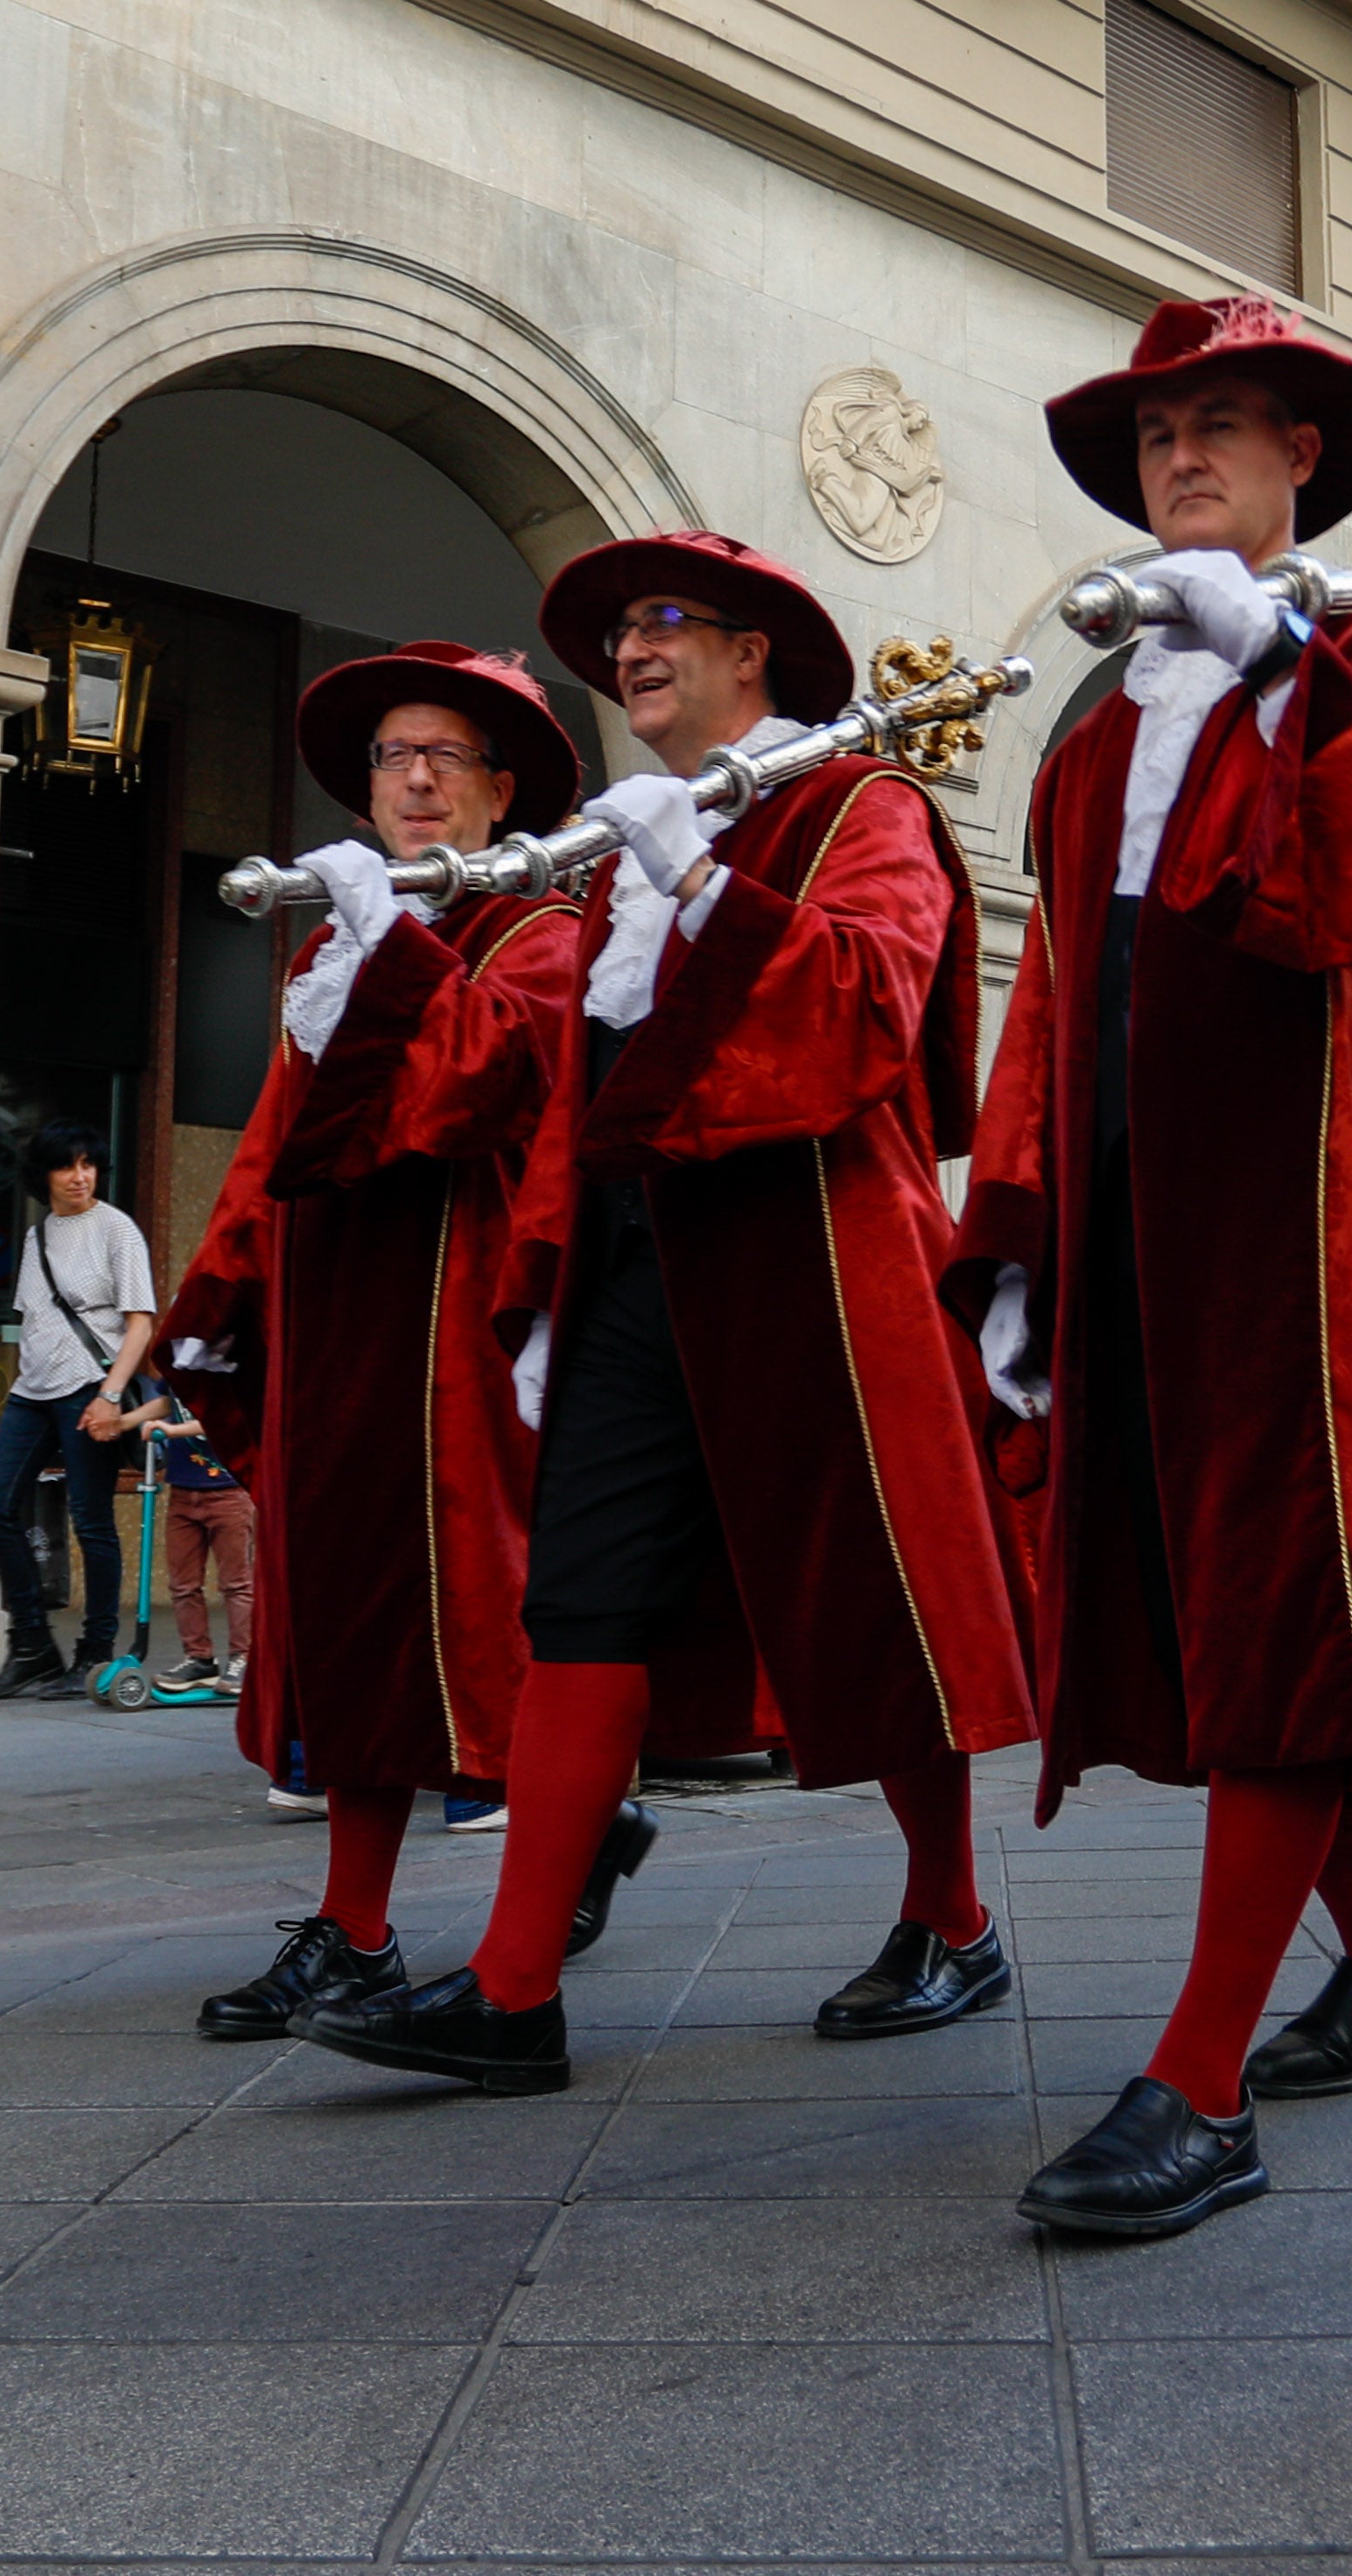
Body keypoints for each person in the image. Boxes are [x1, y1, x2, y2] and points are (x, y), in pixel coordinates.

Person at [290, 532, 1041, 2096]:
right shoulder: (612, 851)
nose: (630, 646)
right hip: (636, 1268)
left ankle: (950, 1913)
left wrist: (702, 881)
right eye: (619, 627)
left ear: (752, 652)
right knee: (585, 1604)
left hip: (807, 1256)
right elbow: (546, 1085)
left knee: (864, 1600)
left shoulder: (858, 805)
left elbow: (868, 1009)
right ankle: (511, 1991)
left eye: (664, 620)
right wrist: (549, 1267)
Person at [959, 294, 1352, 2240]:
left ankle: (1199, 2079)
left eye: (1219, 426)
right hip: (1126, 1210)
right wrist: (1018, 1235)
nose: (1178, 457)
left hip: (1297, 1211)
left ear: (1305, 461)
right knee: (1199, 1609)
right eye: (1154, 435)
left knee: (1283, 1602)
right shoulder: (1101, 723)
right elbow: (1055, 1008)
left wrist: (1294, 668)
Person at [153, 642, 632, 2042]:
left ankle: (564, 1843)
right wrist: (222, 1309)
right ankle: (359, 1925)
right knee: (352, 1624)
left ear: (499, 793)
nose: (414, 778)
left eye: (446, 757)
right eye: (389, 757)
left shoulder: (539, 936)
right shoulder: (333, 943)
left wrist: (394, 950)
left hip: (459, 1327)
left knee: (477, 1620)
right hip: (340, 1323)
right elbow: (275, 1149)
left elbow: (471, 1093)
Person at [0, 1122, 158, 1700]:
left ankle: (95, 1653)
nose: (80, 1176)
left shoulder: (116, 1229)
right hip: (33, 1391)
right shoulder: (37, 1236)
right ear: (44, 1174)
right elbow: (36, 1318)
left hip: (88, 1389)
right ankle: (32, 1645)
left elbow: (141, 1321)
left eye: (89, 1164)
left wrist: (109, 1393)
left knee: (91, 1519)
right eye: (66, 1166)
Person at [124, 1380, 252, 1685]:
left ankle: (244, 1658)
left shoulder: (226, 1369)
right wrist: (126, 1421)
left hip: (228, 1491)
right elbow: (168, 1402)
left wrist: (170, 1431)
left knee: (236, 1582)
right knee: (183, 1584)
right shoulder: (178, 1366)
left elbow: (221, 1421)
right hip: (183, 1491)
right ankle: (199, 1658)